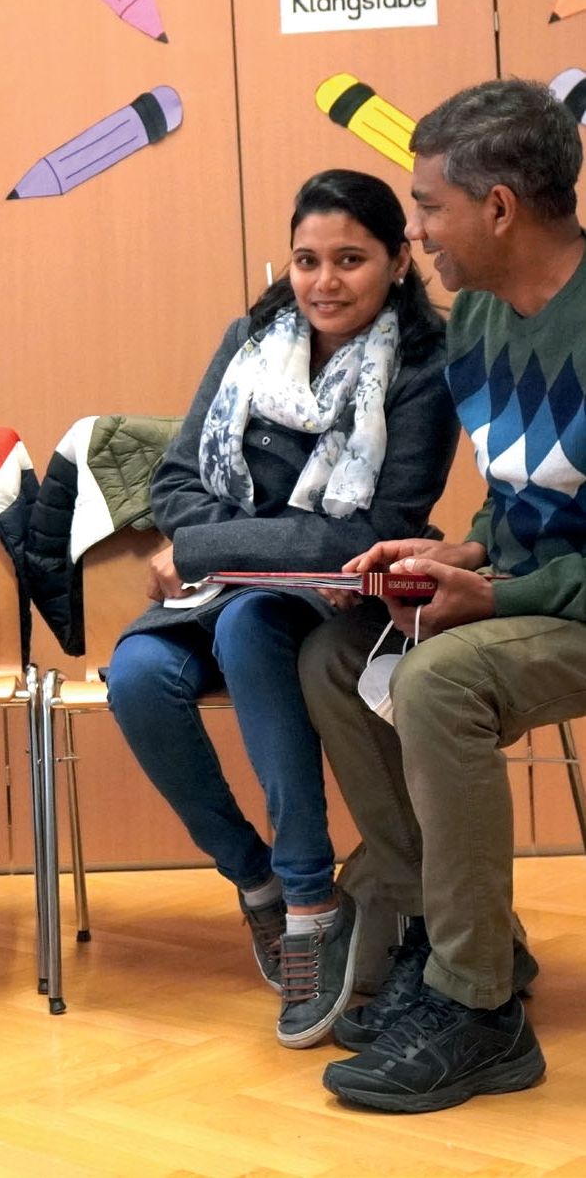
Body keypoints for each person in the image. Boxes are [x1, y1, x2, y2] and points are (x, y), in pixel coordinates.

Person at [103, 170, 458, 1048]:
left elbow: (374, 527)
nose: (323, 281)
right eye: (306, 260)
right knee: (137, 675)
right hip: (221, 585)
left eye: (349, 259)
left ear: (397, 260)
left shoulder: (424, 361)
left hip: (339, 595)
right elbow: (175, 482)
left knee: (251, 626)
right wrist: (235, 547)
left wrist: (207, 547)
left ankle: (308, 905)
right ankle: (257, 881)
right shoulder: (252, 337)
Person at [301, 79, 586, 1112]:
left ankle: (478, 1012)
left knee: (438, 678)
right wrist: (447, 553)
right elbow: (525, 500)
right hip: (540, 591)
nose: (413, 230)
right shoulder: (478, 324)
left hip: (565, 607)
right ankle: (462, 937)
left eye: (426, 206)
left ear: (498, 207)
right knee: (332, 657)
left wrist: (491, 594)